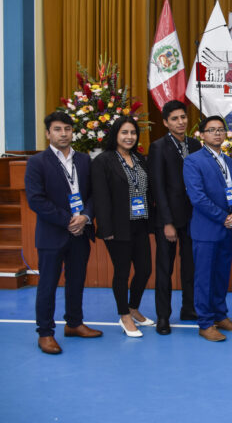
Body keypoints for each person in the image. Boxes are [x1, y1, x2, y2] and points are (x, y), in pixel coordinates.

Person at [24, 112, 102, 354]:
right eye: (57, 129)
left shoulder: (84, 160)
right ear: (48, 133)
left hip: (81, 231)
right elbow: (36, 200)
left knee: (76, 280)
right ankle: (45, 333)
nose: (63, 133)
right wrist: (69, 220)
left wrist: (85, 217)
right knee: (47, 284)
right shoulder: (37, 162)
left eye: (67, 129)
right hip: (53, 233)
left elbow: (93, 194)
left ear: (73, 132)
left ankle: (74, 323)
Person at [183, 116, 232, 341]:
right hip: (206, 230)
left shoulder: (228, 160)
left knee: (221, 275)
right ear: (202, 135)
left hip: (227, 229)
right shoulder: (193, 161)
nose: (217, 134)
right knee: (204, 278)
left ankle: (221, 316)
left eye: (221, 130)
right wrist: (224, 217)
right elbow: (197, 197)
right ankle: (205, 322)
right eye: (212, 130)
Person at [92, 116, 154, 337]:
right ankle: (124, 316)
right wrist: (106, 229)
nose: (129, 137)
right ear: (116, 135)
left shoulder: (139, 159)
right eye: (124, 133)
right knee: (122, 272)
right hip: (117, 227)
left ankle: (133, 307)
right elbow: (100, 197)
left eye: (133, 133)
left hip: (140, 223)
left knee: (145, 269)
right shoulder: (103, 161)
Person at [148, 100, 201, 335]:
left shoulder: (195, 144)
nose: (181, 122)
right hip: (168, 219)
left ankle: (188, 308)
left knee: (190, 266)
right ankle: (163, 316)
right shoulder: (158, 147)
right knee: (165, 269)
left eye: (183, 117)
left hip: (193, 217)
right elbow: (157, 187)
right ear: (166, 122)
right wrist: (167, 222)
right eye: (175, 119)